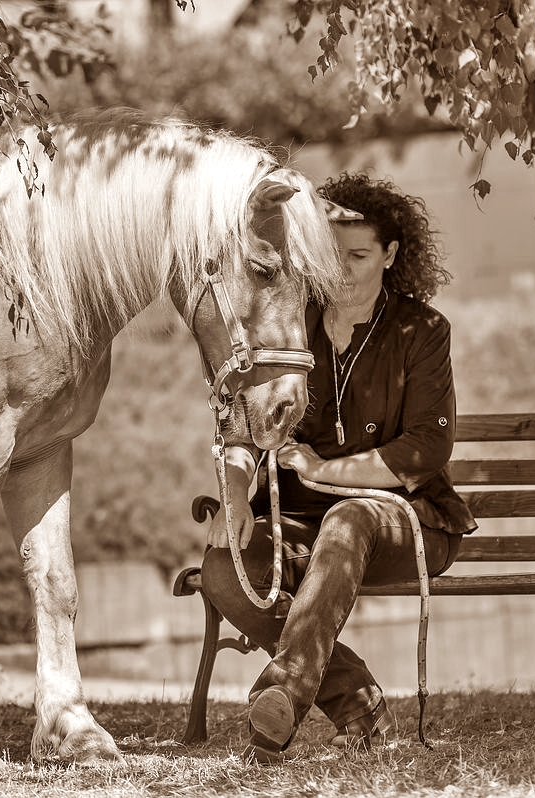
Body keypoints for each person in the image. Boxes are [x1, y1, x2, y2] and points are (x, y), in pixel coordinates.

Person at [200, 172, 477, 764]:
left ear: (390, 254)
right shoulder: (291, 321)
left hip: (407, 523)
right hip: (304, 527)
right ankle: (357, 701)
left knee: (350, 517)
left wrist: (328, 470)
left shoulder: (422, 330)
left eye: (360, 255)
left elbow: (427, 448)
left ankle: (281, 693)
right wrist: (233, 493)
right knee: (224, 567)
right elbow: (251, 423)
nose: (344, 269)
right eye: (332, 255)